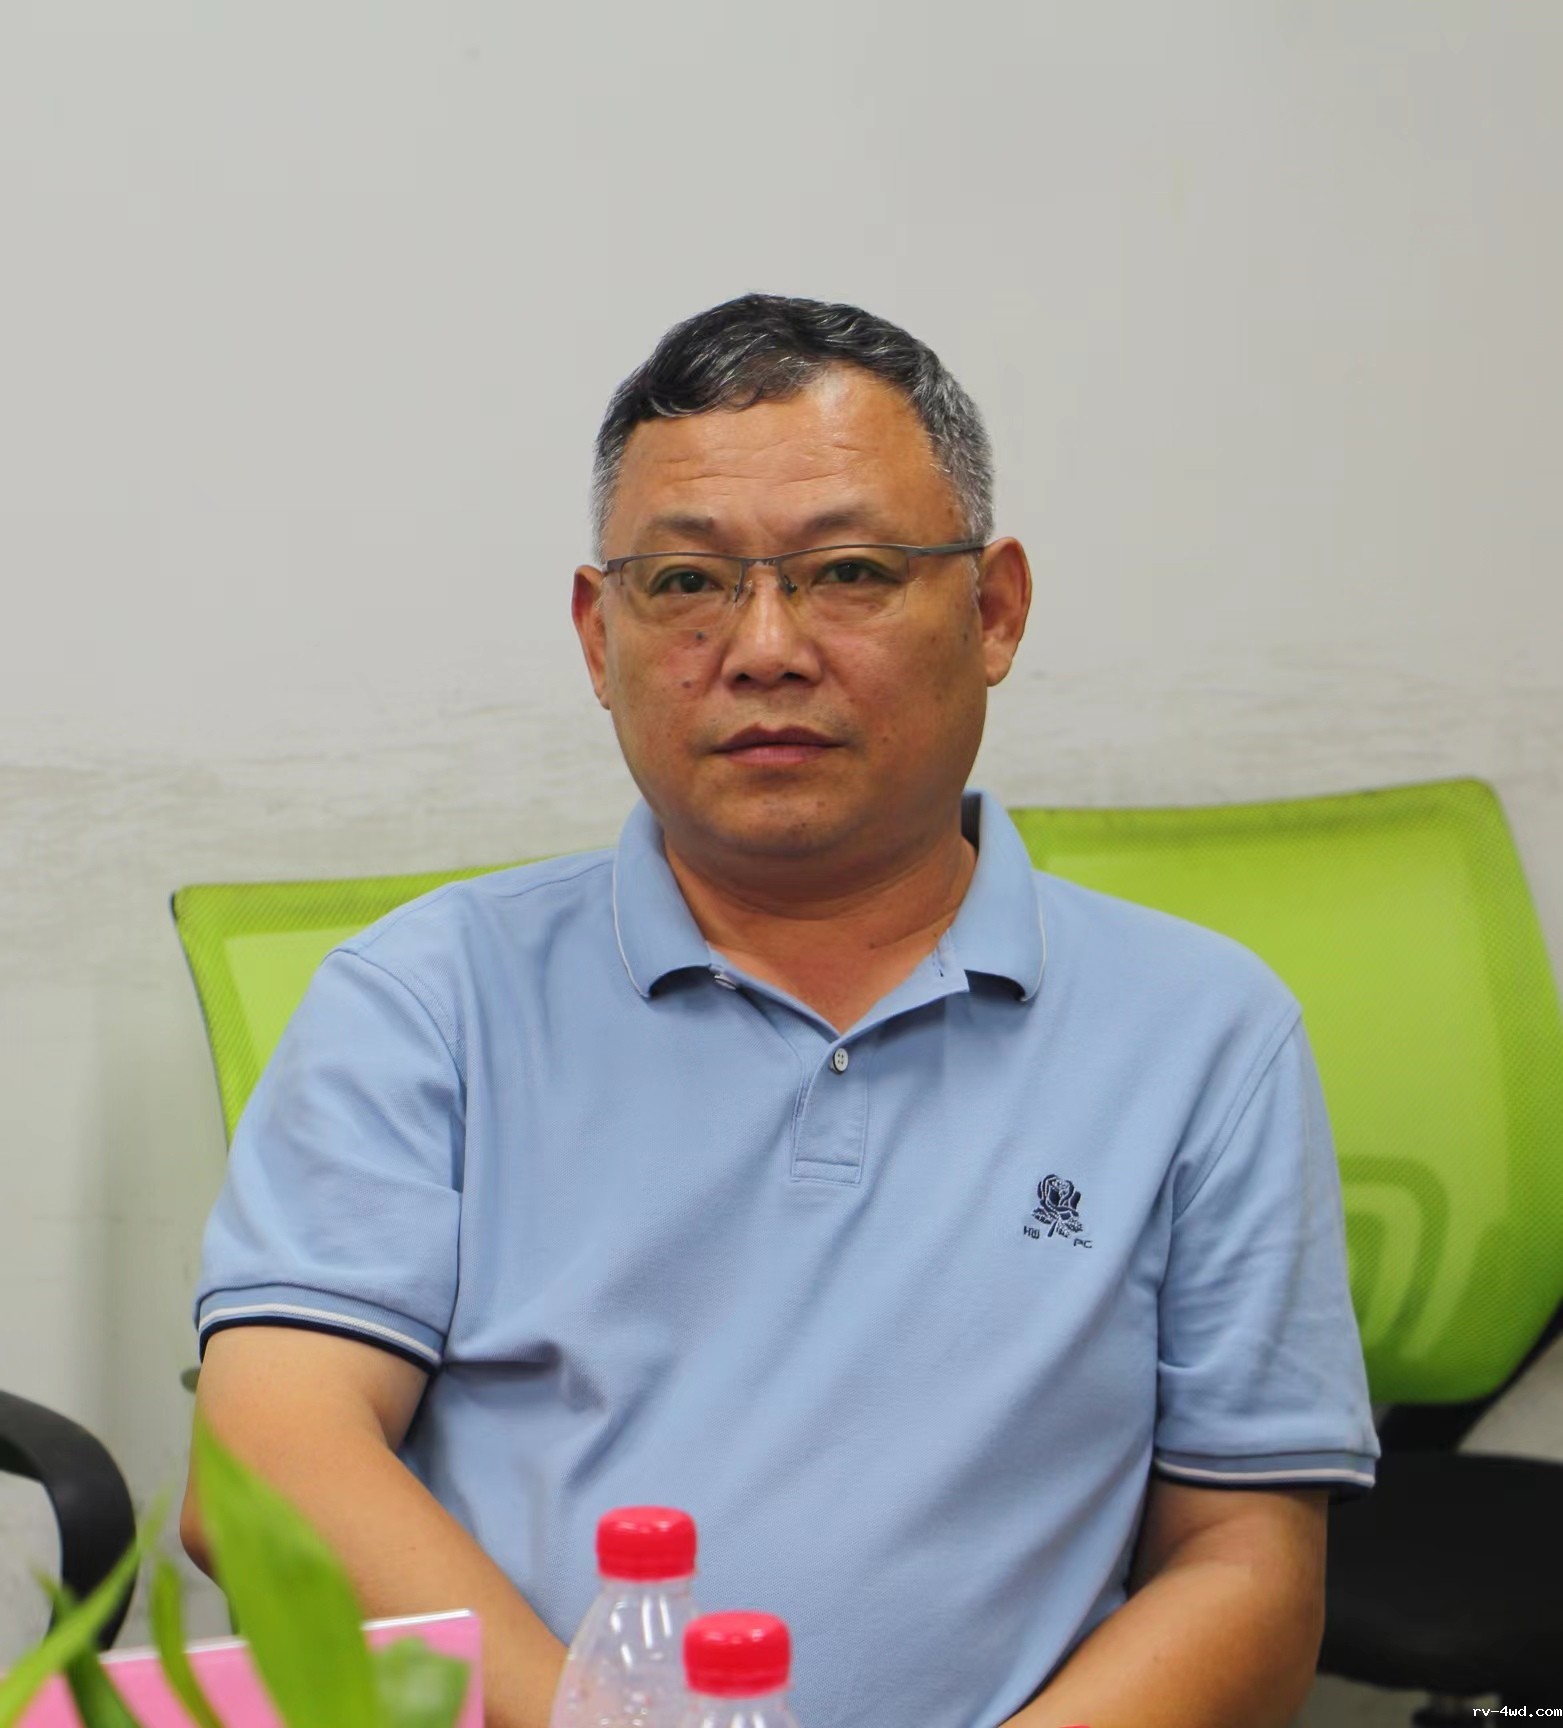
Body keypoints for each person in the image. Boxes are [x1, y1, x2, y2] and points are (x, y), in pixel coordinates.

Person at [184, 293, 1377, 1728]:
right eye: (686, 583)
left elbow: (1244, 1564)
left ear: (994, 611)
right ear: (597, 635)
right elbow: (265, 1462)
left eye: (849, 572)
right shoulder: (425, 1000)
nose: (762, 649)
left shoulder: (1201, 1034)